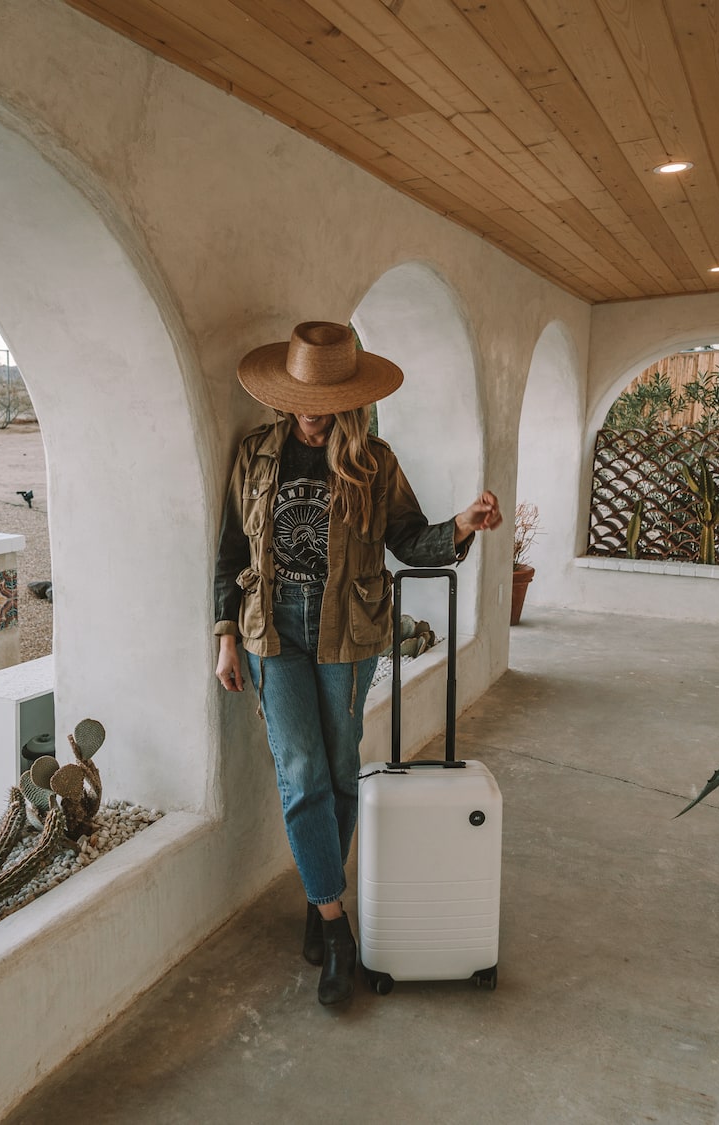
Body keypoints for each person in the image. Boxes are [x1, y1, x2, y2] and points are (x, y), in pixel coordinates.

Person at [214, 321, 502, 1006]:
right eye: (302, 396)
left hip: (351, 630)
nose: (313, 411)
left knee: (343, 770)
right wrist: (225, 633)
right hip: (270, 629)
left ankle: (320, 901)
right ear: (286, 395)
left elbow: (409, 539)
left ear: (349, 396)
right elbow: (230, 549)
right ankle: (337, 927)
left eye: (326, 397)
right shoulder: (256, 453)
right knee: (303, 769)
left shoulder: (373, 458)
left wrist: (461, 524)